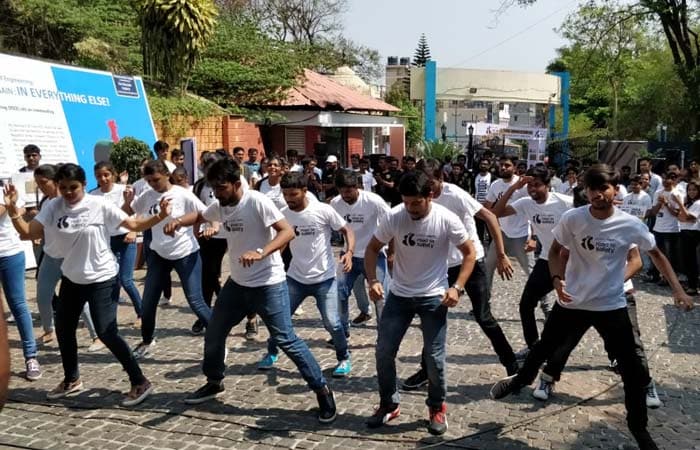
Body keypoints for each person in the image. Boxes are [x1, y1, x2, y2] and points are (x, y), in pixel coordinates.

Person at [489, 164, 694, 450]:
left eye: (604, 188)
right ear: (586, 191)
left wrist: (679, 291)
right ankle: (521, 380)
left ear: (614, 189)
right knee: (543, 349)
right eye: (592, 189)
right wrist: (557, 279)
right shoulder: (573, 218)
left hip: (611, 306)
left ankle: (639, 428)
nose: (598, 194)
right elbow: (555, 251)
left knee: (632, 369)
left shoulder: (629, 224)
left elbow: (656, 255)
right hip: (572, 301)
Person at [177, 158, 337, 423]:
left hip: (268, 284)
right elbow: (203, 214)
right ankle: (214, 381)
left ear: (237, 183)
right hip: (237, 284)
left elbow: (286, 232)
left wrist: (262, 252)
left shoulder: (257, 202)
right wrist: (176, 222)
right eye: (214, 189)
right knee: (215, 333)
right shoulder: (222, 204)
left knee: (286, 339)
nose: (217, 193)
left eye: (222, 188)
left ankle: (322, 390)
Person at [5, 163, 170, 405]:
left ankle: (139, 381)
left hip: (101, 277)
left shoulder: (98, 205)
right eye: (64, 188)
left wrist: (161, 216)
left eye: (74, 187)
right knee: (63, 328)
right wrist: (12, 210)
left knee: (106, 331)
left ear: (83, 185)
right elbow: (28, 232)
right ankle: (72, 379)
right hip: (72, 277)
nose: (69, 193)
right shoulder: (53, 206)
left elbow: (134, 225)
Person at [364, 171, 476, 436]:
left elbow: (470, 253)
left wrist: (457, 287)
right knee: (383, 352)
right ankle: (389, 403)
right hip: (399, 296)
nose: (410, 208)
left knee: (434, 359)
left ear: (430, 196)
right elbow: (371, 248)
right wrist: (373, 280)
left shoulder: (446, 219)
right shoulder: (394, 216)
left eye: (416, 203)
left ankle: (437, 407)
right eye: (406, 202)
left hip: (433, 297)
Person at [400, 161, 518, 392]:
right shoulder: (422, 198)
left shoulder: (456, 194)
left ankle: (512, 367)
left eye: (432, 184)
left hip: (471, 262)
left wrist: (502, 254)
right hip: (441, 267)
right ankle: (426, 371)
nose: (430, 190)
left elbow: (490, 217)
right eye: (426, 185)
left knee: (484, 317)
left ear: (440, 179)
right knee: (432, 319)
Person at [257, 172, 355, 376]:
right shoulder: (283, 213)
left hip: (324, 279)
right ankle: (271, 352)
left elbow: (347, 231)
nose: (289, 199)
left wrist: (349, 252)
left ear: (304, 191)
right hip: (295, 278)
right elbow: (281, 241)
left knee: (332, 322)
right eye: (285, 194)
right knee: (280, 318)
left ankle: (344, 357)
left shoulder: (323, 210)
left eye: (293, 194)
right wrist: (269, 262)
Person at [125, 160, 212, 359]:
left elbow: (206, 212)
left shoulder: (182, 194)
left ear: (166, 174)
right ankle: (147, 340)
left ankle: (218, 338)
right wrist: (127, 199)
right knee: (148, 301)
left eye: (155, 179)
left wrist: (212, 225)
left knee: (195, 300)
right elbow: (132, 212)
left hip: (185, 253)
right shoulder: (147, 195)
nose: (153, 184)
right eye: (148, 181)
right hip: (157, 253)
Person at [491, 166, 573, 359]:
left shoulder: (565, 202)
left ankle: (615, 355)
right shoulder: (526, 203)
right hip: (546, 260)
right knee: (526, 304)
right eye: (529, 186)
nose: (532, 189)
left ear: (547, 185)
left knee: (579, 310)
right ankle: (534, 347)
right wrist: (514, 188)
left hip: (572, 262)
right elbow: (496, 212)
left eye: (537, 185)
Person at [32, 165, 101, 351]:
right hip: (50, 255)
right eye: (37, 183)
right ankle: (48, 330)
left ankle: (96, 336)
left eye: (43, 182)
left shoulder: (70, 203)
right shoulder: (47, 203)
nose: (40, 186)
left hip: (70, 258)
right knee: (43, 295)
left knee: (79, 300)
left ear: (55, 181)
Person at [330, 169, 391, 329]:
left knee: (380, 296)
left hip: (374, 255)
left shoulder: (374, 201)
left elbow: (392, 223)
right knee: (340, 292)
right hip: (348, 255)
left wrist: (392, 253)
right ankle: (342, 330)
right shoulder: (335, 203)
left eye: (349, 191)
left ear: (357, 187)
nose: (345, 195)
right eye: (342, 191)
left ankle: (383, 333)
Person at [90, 162, 143, 327]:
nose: (103, 179)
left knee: (126, 279)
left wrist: (133, 231)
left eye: (106, 175)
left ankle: (142, 313)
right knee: (111, 280)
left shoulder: (123, 191)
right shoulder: (93, 195)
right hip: (106, 241)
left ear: (112, 174)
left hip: (125, 239)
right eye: (99, 176)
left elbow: (137, 212)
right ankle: (108, 318)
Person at [0, 178, 41, 381]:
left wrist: (12, 205)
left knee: (18, 304)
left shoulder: (3, 191)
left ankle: (31, 357)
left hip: (9, 255)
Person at [483, 155, 534, 289]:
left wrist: (533, 236)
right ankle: (484, 306)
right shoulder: (495, 185)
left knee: (531, 271)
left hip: (521, 234)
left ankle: (545, 305)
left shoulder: (523, 186)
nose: (503, 168)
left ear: (515, 168)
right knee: (488, 267)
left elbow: (534, 209)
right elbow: (488, 210)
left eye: (507, 165)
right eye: (501, 165)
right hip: (502, 233)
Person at [190, 153, 228, 335]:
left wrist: (217, 226)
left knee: (212, 273)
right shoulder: (199, 186)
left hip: (225, 235)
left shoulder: (227, 182)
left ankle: (233, 308)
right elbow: (197, 209)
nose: (207, 168)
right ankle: (204, 315)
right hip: (205, 236)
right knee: (207, 275)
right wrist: (195, 229)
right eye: (205, 165)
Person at [644, 171, 682, 284]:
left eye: (669, 179)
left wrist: (666, 204)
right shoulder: (658, 193)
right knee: (656, 253)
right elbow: (654, 212)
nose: (666, 181)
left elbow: (677, 213)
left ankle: (669, 279)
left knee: (670, 255)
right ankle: (655, 275)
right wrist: (660, 204)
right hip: (658, 228)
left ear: (674, 180)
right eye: (664, 178)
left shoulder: (677, 193)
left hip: (672, 229)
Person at [675, 179, 700, 295]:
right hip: (684, 230)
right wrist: (683, 210)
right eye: (689, 190)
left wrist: (680, 204)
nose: (691, 192)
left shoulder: (698, 203)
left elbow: (690, 217)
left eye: (694, 190)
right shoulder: (688, 203)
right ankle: (691, 283)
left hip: (693, 233)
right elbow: (680, 217)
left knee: (691, 260)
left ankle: (693, 286)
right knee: (686, 259)